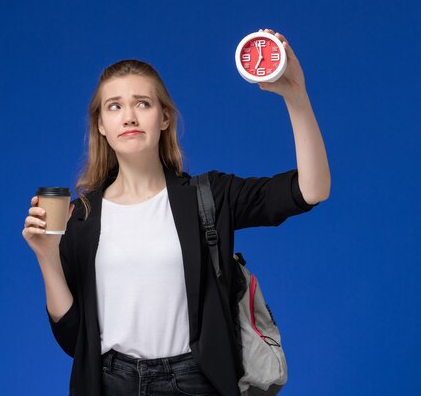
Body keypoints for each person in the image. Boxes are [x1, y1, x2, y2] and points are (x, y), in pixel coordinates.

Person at [22, 28, 331, 396]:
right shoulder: (81, 217)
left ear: (164, 118)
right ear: (101, 126)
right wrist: (46, 256)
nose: (129, 116)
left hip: (195, 381)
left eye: (143, 103)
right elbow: (74, 340)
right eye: (115, 106)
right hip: (110, 383)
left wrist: (296, 95)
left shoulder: (209, 196)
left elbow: (310, 190)